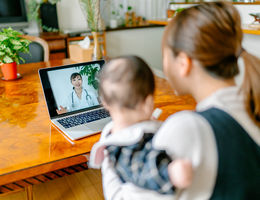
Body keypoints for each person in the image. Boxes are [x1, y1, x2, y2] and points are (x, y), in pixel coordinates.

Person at [101, 2, 260, 200]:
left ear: (183, 63)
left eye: (165, 55)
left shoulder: (189, 128)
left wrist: (110, 145)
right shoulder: (252, 104)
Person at [89, 56, 193, 199]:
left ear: (104, 101)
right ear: (148, 103)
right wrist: (171, 173)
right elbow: (144, 171)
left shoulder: (110, 132)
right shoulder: (129, 145)